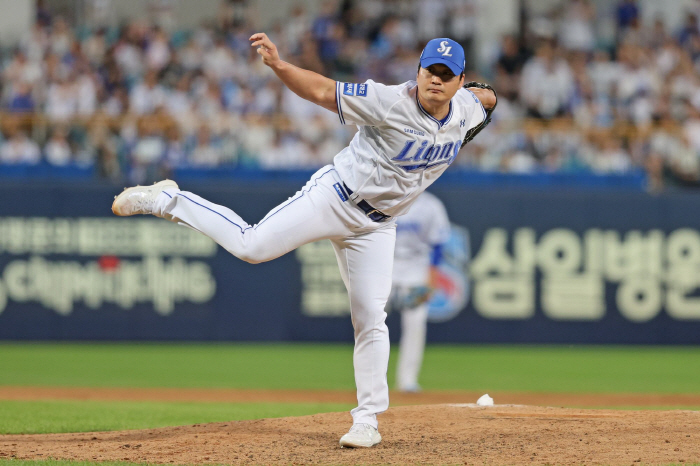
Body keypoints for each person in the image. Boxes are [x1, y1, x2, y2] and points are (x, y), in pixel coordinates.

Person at [112, 32, 496, 448]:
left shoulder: (466, 110)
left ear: (460, 82)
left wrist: (484, 93)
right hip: (335, 196)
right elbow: (322, 90)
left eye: (446, 74)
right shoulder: (388, 100)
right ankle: (170, 199)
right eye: (429, 70)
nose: (435, 79)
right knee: (252, 247)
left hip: (378, 226)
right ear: (417, 71)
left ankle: (367, 420)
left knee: (371, 315)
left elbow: (487, 99)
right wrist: (280, 65)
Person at [391, 190, 450, 393]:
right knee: (369, 322)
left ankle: (407, 380)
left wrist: (431, 279)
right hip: (384, 269)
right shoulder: (385, 197)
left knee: (415, 325)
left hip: (416, 272)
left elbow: (438, 244)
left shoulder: (431, 205)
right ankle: (370, 381)